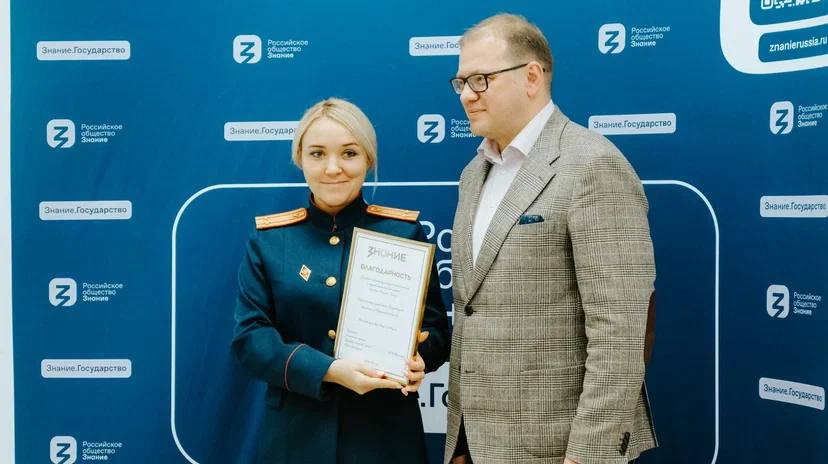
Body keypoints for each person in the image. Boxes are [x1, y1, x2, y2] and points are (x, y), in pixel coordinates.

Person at [444, 14, 656, 464]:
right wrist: (461, 444)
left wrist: (588, 455)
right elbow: (473, 311)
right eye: (460, 82)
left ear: (532, 76)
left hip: (559, 450)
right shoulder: (472, 174)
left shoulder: (592, 165)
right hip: (478, 445)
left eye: (480, 80)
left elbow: (620, 334)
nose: (466, 95)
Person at [232, 97, 450, 464]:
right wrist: (328, 370)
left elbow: (436, 331)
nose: (333, 168)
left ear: (368, 159)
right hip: (296, 438)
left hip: (385, 436)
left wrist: (419, 360)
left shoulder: (403, 233)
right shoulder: (271, 241)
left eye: (349, 153)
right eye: (317, 154)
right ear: (300, 159)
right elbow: (250, 340)